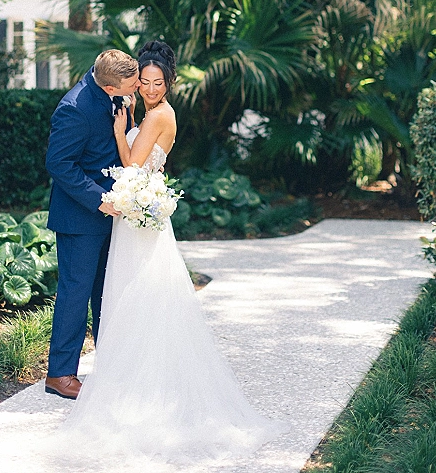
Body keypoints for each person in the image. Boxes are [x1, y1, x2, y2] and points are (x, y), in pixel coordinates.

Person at [53, 40, 287, 465]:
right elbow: (62, 163)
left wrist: (119, 139)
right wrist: (108, 187)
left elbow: (128, 162)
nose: (144, 89)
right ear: (126, 80)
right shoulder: (90, 105)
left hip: (126, 211)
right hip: (100, 213)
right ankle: (63, 373)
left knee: (126, 294)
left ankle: (123, 372)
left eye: (154, 82)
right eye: (141, 82)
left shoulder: (155, 114)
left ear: (168, 82)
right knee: (90, 291)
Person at [43, 49, 140, 400]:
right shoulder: (74, 109)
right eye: (131, 84)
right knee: (75, 294)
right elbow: (58, 164)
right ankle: (60, 374)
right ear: (110, 85)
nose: (137, 88)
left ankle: (110, 365)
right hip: (80, 219)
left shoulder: (114, 93)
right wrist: (100, 199)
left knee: (106, 293)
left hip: (112, 215)